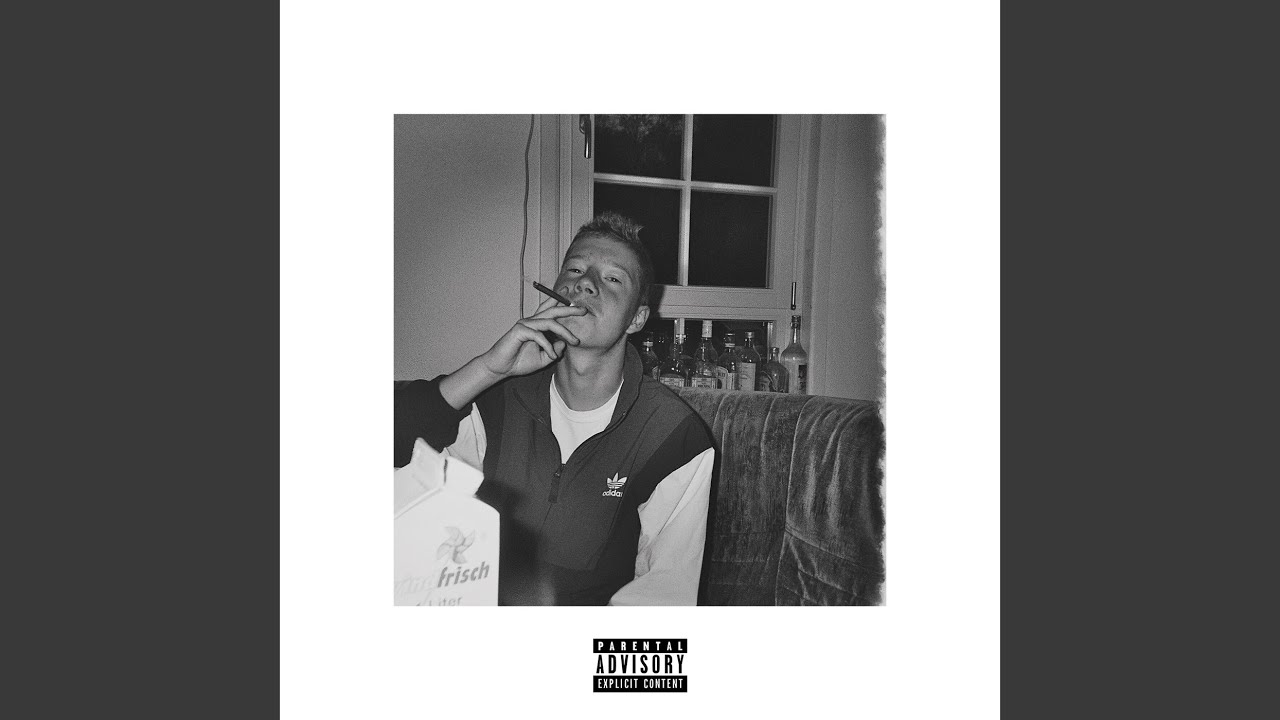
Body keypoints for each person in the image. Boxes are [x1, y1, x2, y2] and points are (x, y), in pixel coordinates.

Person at [394, 211, 715, 605]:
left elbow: (662, 598)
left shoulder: (676, 437)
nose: (585, 283)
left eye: (613, 279)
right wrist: (488, 369)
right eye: (575, 270)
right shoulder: (494, 400)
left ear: (637, 318)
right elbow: (395, 453)